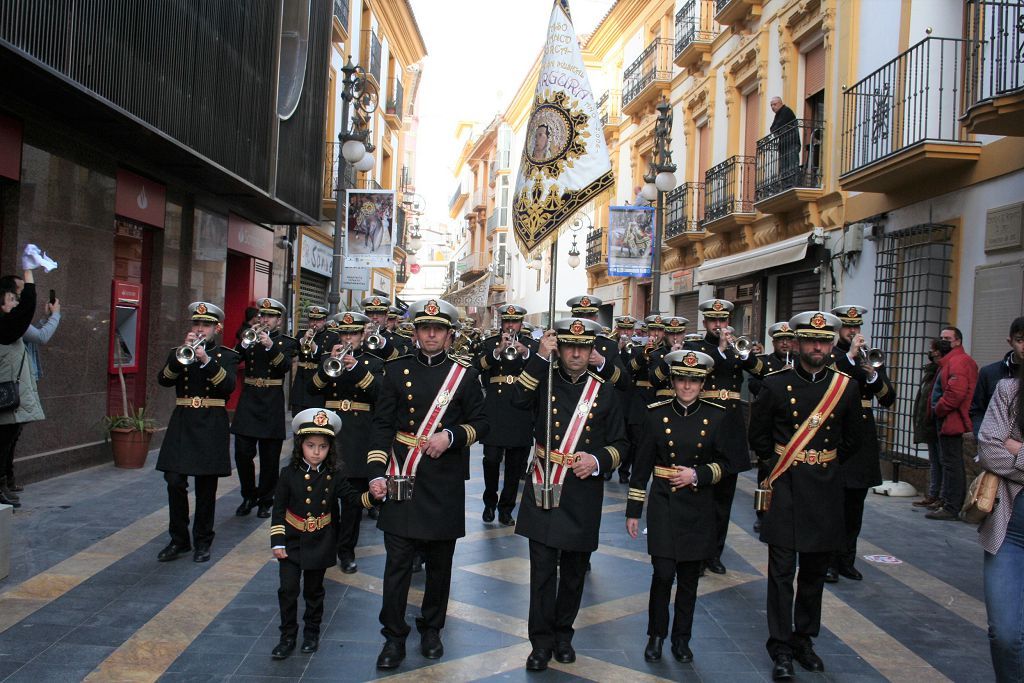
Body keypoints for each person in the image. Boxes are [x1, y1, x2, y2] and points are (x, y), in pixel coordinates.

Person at [366, 298, 488, 670]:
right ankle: (393, 637)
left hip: (443, 479)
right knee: (398, 563)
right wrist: (375, 471)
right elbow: (382, 425)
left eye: (438, 329)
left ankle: (432, 628)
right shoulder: (395, 370)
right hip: (403, 473)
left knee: (439, 563)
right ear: (415, 332)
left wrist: (450, 436)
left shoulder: (463, 375)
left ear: (450, 335)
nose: (431, 334)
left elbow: (482, 423)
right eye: (424, 328)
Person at [748, 311, 861, 681]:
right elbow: (759, 437)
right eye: (811, 341)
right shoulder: (776, 384)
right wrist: (783, 463)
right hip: (786, 487)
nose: (818, 347)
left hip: (824, 490)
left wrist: (821, 463)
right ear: (795, 342)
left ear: (832, 344)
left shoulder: (845, 386)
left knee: (813, 572)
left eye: (825, 341)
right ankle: (779, 646)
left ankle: (803, 640)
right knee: (781, 573)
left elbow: (851, 440)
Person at [511, 318, 627, 672]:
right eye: (568, 346)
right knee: (542, 571)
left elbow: (621, 443)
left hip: (581, 489)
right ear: (559, 348)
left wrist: (597, 460)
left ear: (591, 349)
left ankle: (564, 635)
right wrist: (536, 357)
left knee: (575, 571)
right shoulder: (543, 380)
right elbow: (516, 401)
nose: (576, 353)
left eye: (582, 347)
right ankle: (540, 642)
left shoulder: (603, 390)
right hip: (545, 483)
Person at [626, 350, 743, 664]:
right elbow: (641, 467)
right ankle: (656, 635)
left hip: (698, 504)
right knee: (662, 574)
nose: (687, 386)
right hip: (664, 503)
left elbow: (731, 463)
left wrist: (699, 474)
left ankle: (682, 639)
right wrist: (633, 511)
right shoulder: (655, 413)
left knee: (689, 579)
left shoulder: (718, 415)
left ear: (702, 383)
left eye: (694, 380)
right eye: (681, 379)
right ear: (673, 380)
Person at [270, 408, 381, 660]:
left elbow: (352, 500)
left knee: (314, 591)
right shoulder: (288, 474)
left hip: (320, 542)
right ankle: (287, 636)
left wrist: (373, 497)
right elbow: (278, 510)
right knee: (287, 591)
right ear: (301, 446)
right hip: (291, 541)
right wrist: (277, 541)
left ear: (331, 448)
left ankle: (311, 633)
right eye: (311, 445)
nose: (316, 452)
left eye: (322, 446)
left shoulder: (335, 475)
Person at [155, 302, 239, 563]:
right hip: (183, 421)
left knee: (206, 487)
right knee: (174, 480)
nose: (200, 329)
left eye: (206, 325)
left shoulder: (226, 356)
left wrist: (206, 361)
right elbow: (164, 380)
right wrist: (182, 354)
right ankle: (179, 539)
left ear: (217, 328)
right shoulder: (178, 352)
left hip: (211, 422)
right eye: (197, 324)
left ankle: (203, 540)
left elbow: (227, 387)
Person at [683, 299, 762, 574]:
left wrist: (744, 354)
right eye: (714, 321)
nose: (719, 326)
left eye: (723, 321)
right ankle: (697, 551)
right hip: (704, 426)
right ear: (705, 322)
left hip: (731, 427)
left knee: (724, 498)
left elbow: (760, 371)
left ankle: (715, 553)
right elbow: (700, 370)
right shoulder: (696, 348)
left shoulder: (737, 349)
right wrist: (720, 349)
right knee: (701, 495)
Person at [307, 310, 383, 574]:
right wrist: (331, 363)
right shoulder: (328, 359)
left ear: (363, 335)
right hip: (330, 433)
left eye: (353, 333)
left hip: (359, 436)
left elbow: (379, 394)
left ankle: (347, 550)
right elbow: (313, 388)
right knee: (326, 497)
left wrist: (355, 367)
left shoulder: (372, 363)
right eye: (344, 333)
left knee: (351, 501)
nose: (348, 338)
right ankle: (329, 543)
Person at [825, 305, 896, 583]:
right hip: (839, 435)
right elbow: (829, 381)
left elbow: (888, 398)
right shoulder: (832, 356)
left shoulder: (871, 359)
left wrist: (873, 375)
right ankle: (829, 562)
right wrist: (851, 359)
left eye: (856, 327)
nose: (853, 332)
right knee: (834, 506)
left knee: (855, 508)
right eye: (848, 327)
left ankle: (846, 560)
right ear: (838, 330)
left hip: (863, 439)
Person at [975, 369, 1024, 682]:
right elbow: (989, 451)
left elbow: (1004, 451)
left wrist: (1018, 450)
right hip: (1010, 534)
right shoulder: (1009, 390)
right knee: (1004, 634)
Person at [232, 298, 297, 519]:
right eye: (262, 315)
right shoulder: (249, 336)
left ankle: (266, 499)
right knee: (242, 452)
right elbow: (233, 358)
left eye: (270, 316)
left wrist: (269, 346)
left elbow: (285, 366)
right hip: (249, 399)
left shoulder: (285, 342)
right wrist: (244, 342)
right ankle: (248, 494)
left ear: (279, 320)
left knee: (270, 456)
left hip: (271, 401)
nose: (264, 319)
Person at [476, 304, 536, 526]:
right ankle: (489, 502)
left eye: (515, 321)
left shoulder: (531, 345)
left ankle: (506, 509)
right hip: (495, 409)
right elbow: (476, 367)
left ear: (521, 323)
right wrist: (497, 352)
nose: (510, 326)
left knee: (515, 465)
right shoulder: (490, 343)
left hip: (520, 410)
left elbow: (542, 370)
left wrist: (526, 353)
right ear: (502, 323)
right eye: (507, 321)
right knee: (491, 460)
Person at [0, 275, 60, 497]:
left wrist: (46, 318)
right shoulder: (7, 325)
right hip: (10, 390)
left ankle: (6, 481)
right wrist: (55, 316)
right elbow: (40, 336)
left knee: (10, 439)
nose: (18, 301)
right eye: (15, 296)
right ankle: (4, 483)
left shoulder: (12, 324)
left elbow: (29, 330)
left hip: (18, 386)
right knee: (6, 439)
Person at [748, 322, 798, 532]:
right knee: (766, 471)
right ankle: (762, 513)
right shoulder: (765, 363)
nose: (785, 344)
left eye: (788, 340)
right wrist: (778, 379)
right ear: (774, 342)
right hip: (770, 424)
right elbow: (753, 384)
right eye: (781, 340)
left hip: (792, 426)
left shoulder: (799, 363)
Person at [927, 326, 979, 521]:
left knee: (951, 464)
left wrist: (938, 409)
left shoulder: (958, 361)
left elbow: (955, 393)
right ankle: (947, 502)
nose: (943, 341)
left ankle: (951, 506)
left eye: (947, 338)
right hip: (949, 419)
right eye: (941, 337)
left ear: (958, 341)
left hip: (952, 420)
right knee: (948, 462)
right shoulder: (951, 361)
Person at [971, 317, 1024, 438]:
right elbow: (977, 411)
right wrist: (983, 437)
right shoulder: (989, 373)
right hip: (992, 445)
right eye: (1020, 340)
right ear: (1010, 341)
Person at [912, 340, 944, 510]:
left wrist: (936, 409)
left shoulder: (947, 368)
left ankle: (941, 497)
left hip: (939, 420)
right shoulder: (932, 371)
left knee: (942, 461)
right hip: (930, 420)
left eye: (935, 350)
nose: (932, 353)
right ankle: (933, 494)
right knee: (935, 460)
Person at [290, 305, 331, 415]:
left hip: (319, 383)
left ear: (324, 321)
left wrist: (315, 349)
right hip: (301, 382)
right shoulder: (301, 334)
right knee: (298, 418)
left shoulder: (332, 336)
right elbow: (292, 351)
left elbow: (329, 360)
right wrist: (303, 340)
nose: (314, 323)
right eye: (312, 320)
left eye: (318, 320)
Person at [770, 96, 799, 188]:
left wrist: (777, 129)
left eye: (774, 104)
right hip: (784, 145)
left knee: (792, 164)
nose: (772, 107)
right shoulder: (778, 115)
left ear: (780, 103)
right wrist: (776, 129)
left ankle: (792, 183)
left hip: (791, 143)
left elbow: (778, 126)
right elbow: (772, 128)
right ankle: (786, 184)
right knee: (784, 167)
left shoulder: (786, 111)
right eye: (771, 105)